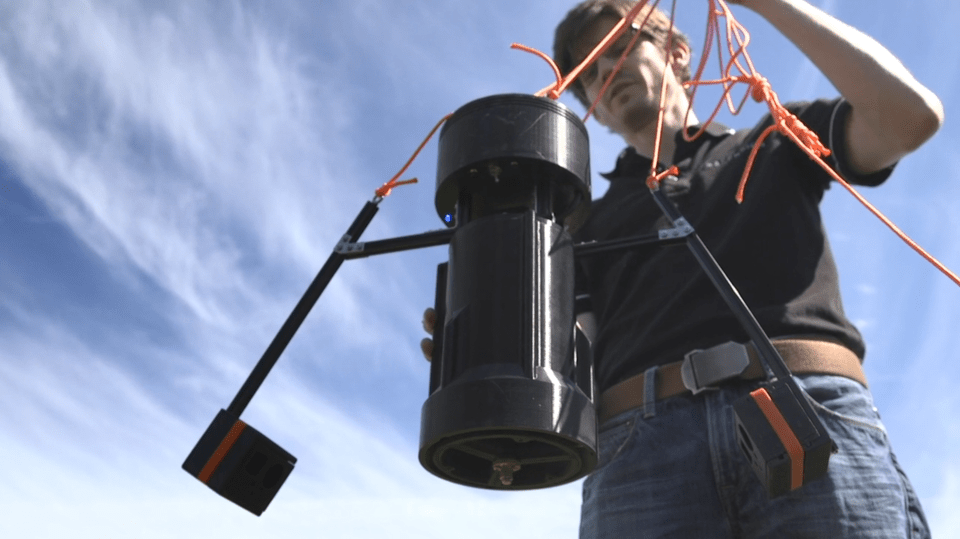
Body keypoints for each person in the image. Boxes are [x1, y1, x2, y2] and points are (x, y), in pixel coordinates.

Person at [425, 0, 943, 536]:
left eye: (618, 49)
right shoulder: (581, 223)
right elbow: (573, 345)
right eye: (592, 74)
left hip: (805, 407)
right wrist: (489, 340)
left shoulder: (774, 139)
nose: (607, 73)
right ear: (595, 113)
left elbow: (909, 119)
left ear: (676, 53)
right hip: (639, 445)